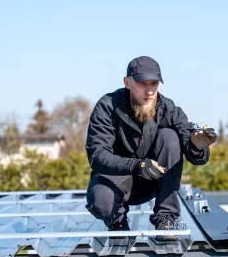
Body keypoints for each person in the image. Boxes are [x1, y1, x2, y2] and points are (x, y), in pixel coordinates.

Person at [85, 56, 217, 241]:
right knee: (101, 204)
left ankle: (166, 219)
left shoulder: (167, 108)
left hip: (153, 182)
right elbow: (97, 157)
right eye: (143, 84)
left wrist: (197, 146)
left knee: (170, 137)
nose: (149, 91)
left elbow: (195, 153)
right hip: (116, 182)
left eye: (154, 84)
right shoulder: (107, 106)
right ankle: (118, 223)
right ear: (127, 83)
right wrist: (136, 165)